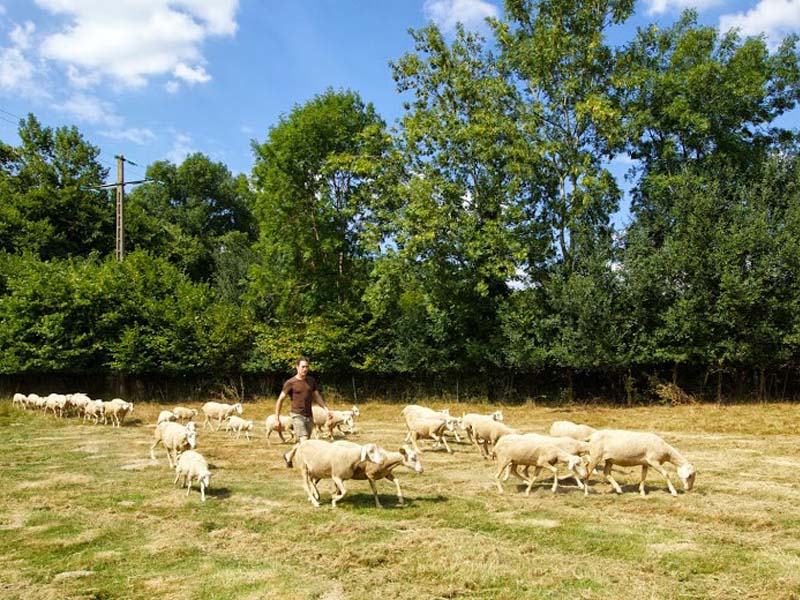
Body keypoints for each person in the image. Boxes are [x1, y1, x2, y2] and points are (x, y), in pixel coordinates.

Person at [274, 357, 331, 458]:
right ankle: (308, 466)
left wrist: (326, 410)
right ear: (297, 367)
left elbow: (317, 396)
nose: (305, 369)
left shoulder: (311, 381)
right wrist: (276, 419)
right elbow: (280, 400)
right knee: (304, 440)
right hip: (297, 415)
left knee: (305, 442)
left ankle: (289, 455)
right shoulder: (290, 382)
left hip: (309, 416)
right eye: (303, 367)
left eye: (307, 367)